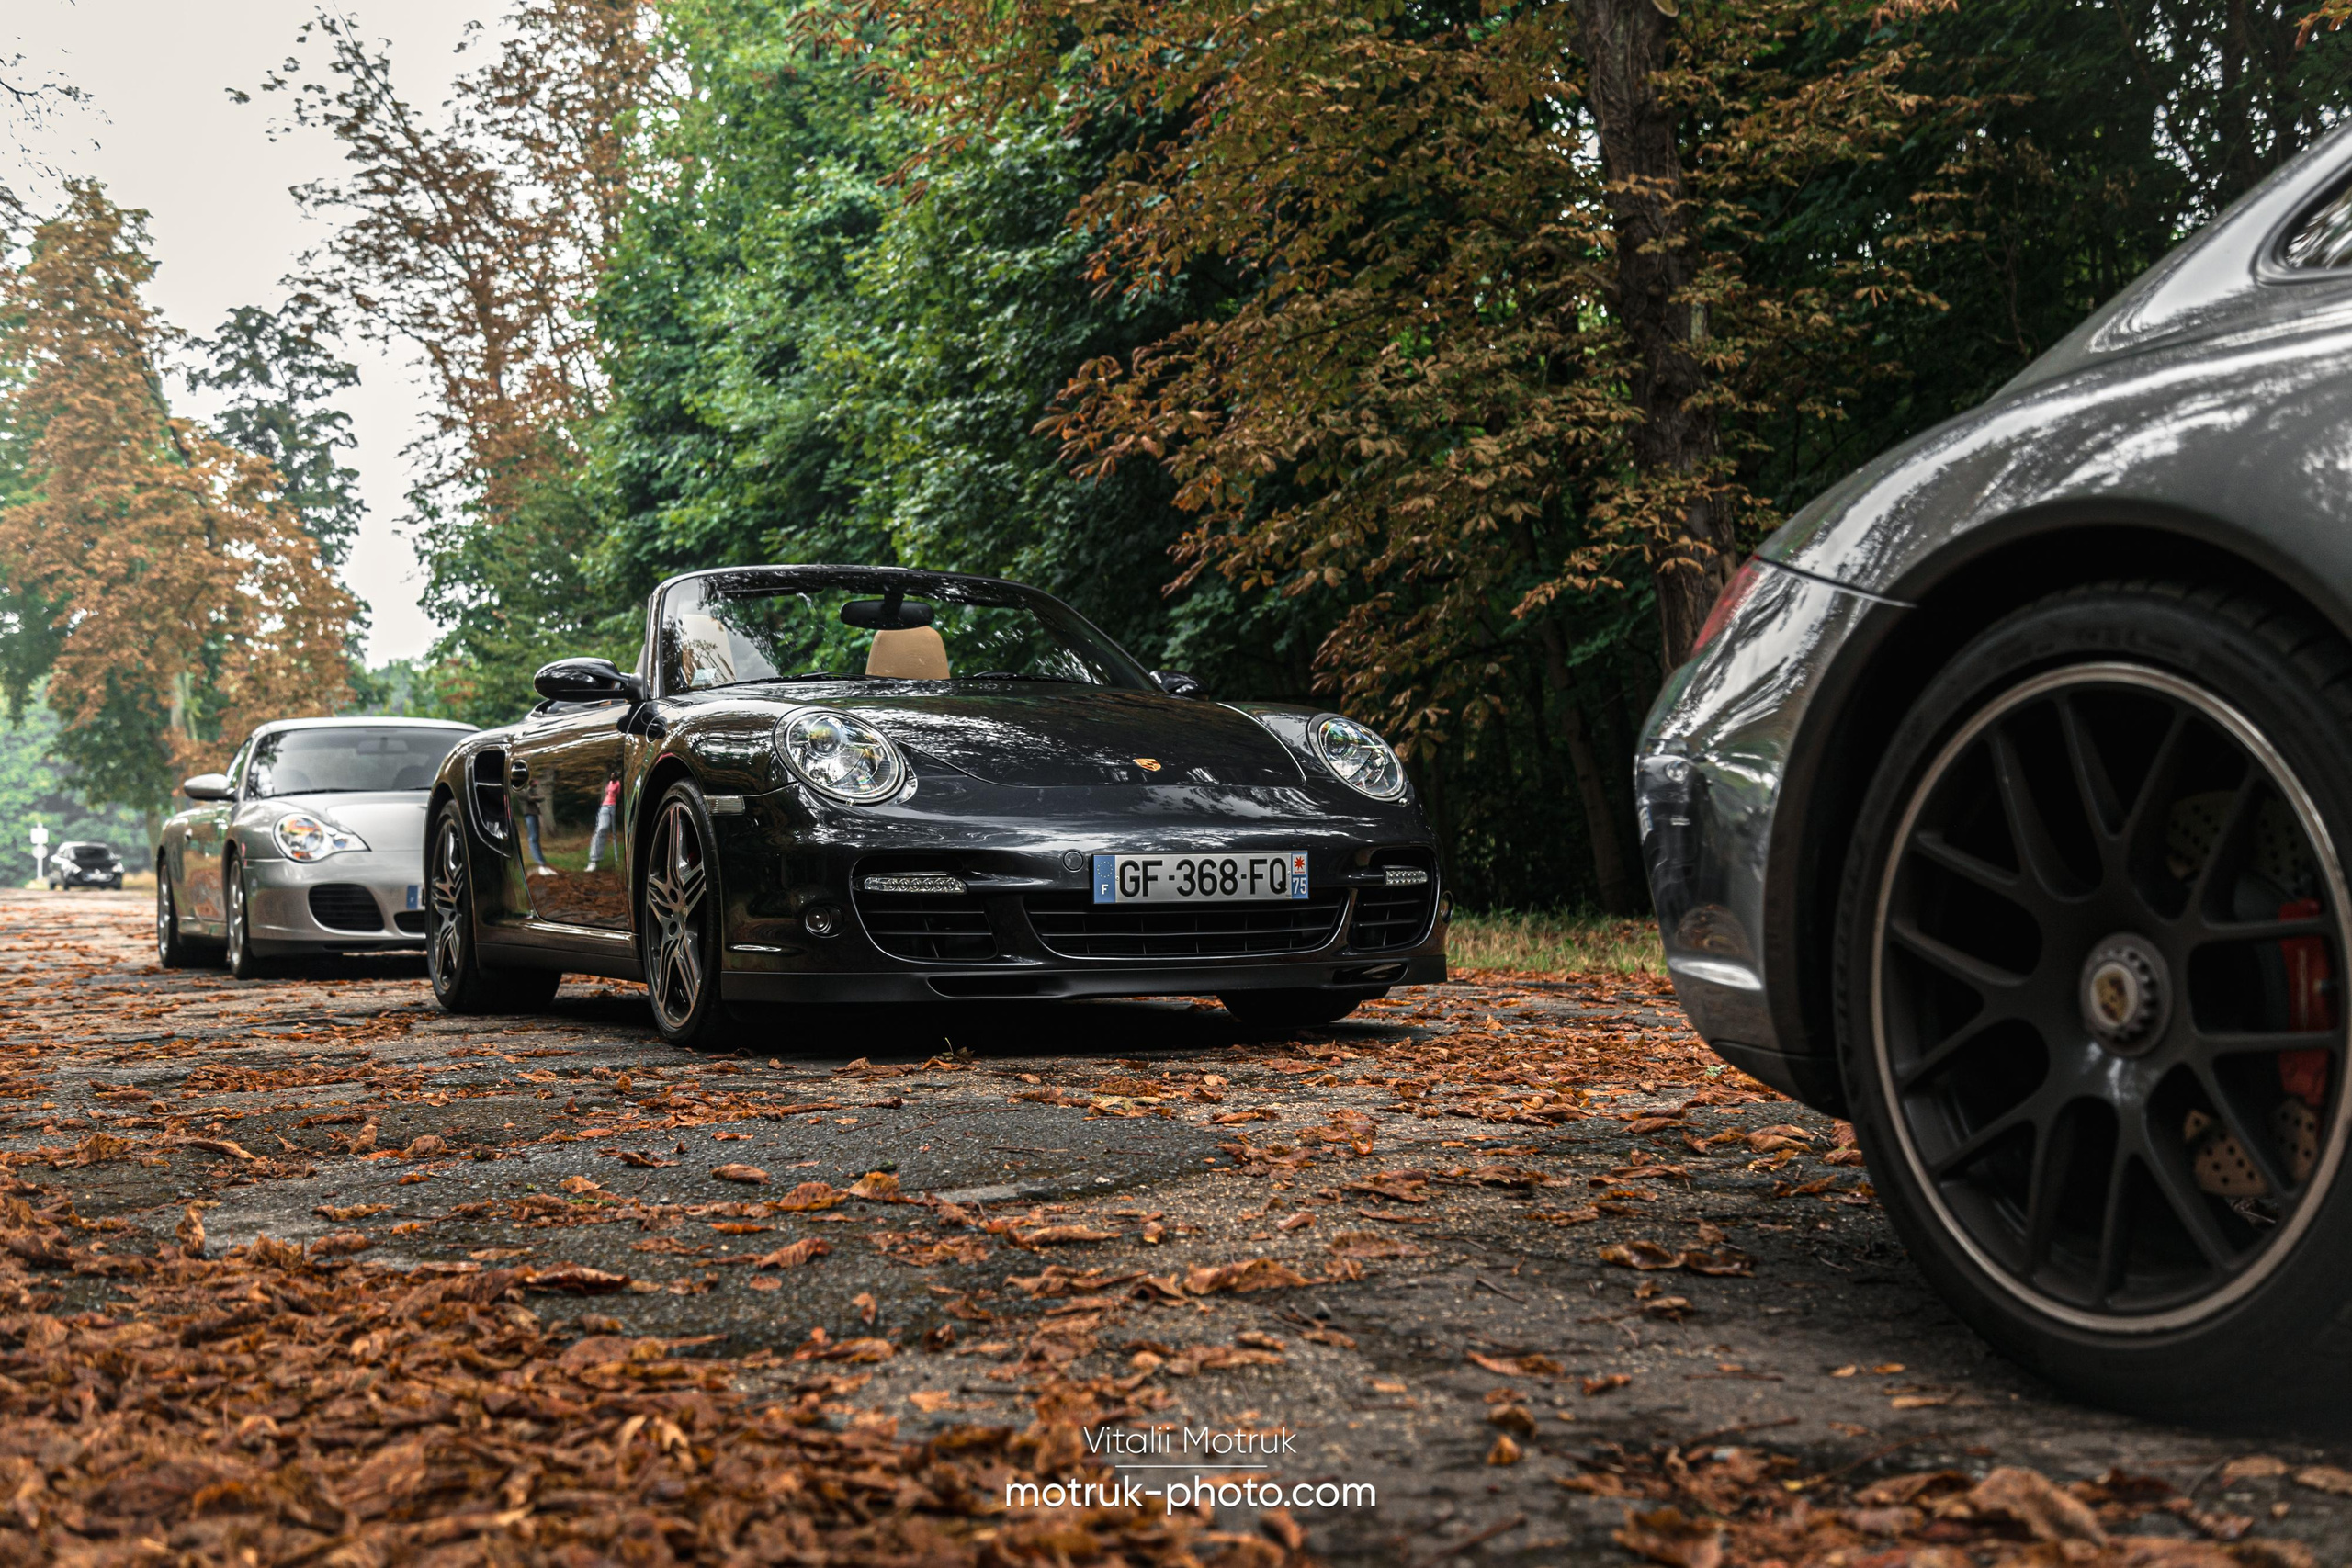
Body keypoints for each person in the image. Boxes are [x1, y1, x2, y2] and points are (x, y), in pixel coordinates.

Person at [585, 775, 622, 873]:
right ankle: (593, 860)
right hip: (605, 806)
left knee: (614, 833)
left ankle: (619, 861)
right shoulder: (608, 783)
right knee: (602, 828)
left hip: (614, 806)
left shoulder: (619, 783)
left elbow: (619, 796)